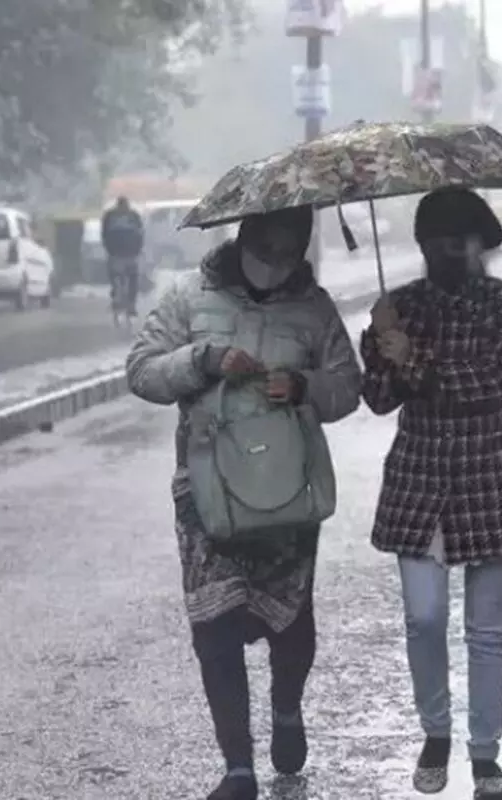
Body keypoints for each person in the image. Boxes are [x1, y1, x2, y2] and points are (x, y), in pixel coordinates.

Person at [125, 205, 361, 800]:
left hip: (286, 489)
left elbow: (347, 386)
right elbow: (142, 371)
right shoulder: (189, 296)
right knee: (214, 626)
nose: (275, 264)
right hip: (208, 490)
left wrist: (303, 386)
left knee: (291, 620)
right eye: (266, 250)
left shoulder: (314, 308)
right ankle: (237, 767)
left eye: (289, 253)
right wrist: (203, 360)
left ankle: (287, 708)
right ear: (245, 238)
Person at [360, 187, 502, 800]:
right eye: (439, 237)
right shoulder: (399, 307)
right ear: (422, 243)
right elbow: (378, 400)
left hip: (491, 477)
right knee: (423, 619)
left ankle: (486, 754)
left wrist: (412, 359)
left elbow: (491, 382)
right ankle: (435, 733)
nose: (451, 248)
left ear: (480, 242)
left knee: (486, 631)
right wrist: (379, 345)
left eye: (462, 238)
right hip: (419, 480)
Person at [101, 196, 145, 316]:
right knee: (132, 278)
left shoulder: (110, 216)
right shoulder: (133, 216)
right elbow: (141, 233)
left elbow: (104, 234)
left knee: (116, 275)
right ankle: (130, 304)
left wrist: (108, 248)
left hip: (117, 252)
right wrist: (139, 249)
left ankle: (119, 297)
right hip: (128, 252)